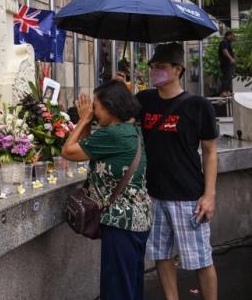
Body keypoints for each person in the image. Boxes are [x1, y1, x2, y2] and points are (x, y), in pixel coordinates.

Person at [136, 42, 218, 300]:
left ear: (177, 70)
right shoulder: (144, 100)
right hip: (154, 195)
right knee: (161, 254)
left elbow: (210, 152)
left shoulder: (198, 105)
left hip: (188, 196)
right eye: (152, 67)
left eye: (160, 67)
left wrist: (209, 195)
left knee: (201, 259)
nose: (154, 72)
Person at [62, 80, 151, 300]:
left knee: (117, 291)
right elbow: (91, 149)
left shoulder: (114, 135)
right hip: (136, 221)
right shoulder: (127, 131)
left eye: (96, 105)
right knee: (130, 287)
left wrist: (83, 120)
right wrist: (88, 124)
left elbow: (68, 151)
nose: (93, 110)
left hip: (122, 225)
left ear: (110, 107)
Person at [218, 31, 236, 97]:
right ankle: (223, 92)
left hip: (228, 64)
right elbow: (224, 51)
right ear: (229, 35)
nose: (234, 37)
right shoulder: (224, 42)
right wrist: (231, 58)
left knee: (229, 78)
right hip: (225, 64)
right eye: (233, 36)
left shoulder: (228, 43)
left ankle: (227, 91)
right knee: (226, 77)